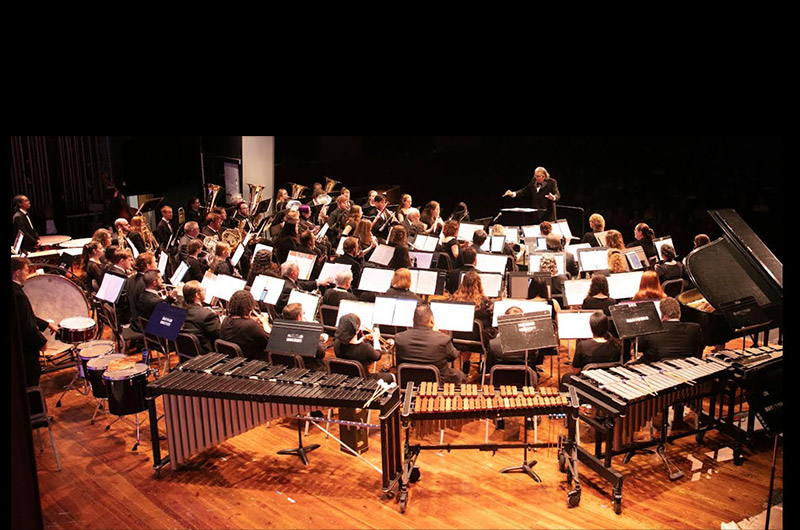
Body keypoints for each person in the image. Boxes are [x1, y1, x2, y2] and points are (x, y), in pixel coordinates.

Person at [12, 257, 58, 386]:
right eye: (26, 271)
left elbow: (25, 316)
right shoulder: (18, 294)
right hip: (26, 351)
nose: (28, 274)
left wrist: (47, 324)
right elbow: (27, 325)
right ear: (18, 272)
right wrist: (41, 342)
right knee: (31, 380)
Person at [394, 304, 466, 385]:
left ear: (413, 320)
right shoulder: (442, 339)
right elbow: (453, 356)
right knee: (460, 376)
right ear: (432, 321)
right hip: (436, 382)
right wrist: (437, 333)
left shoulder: (399, 338)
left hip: (408, 382)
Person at [560, 312, 621, 391]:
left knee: (566, 377)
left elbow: (576, 371)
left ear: (591, 327)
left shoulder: (583, 345)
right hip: (609, 379)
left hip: (588, 382)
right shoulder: (616, 344)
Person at [451, 270, 495, 376]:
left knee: (468, 330)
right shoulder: (485, 303)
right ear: (479, 284)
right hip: (479, 343)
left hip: (457, 340)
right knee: (494, 332)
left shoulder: (453, 301)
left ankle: (465, 363)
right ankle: (486, 365)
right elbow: (490, 322)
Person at [636, 297, 703, 364]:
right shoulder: (694, 329)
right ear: (679, 313)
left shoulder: (650, 330)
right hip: (688, 368)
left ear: (662, 315)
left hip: (657, 370)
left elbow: (639, 349)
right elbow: (698, 352)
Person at [333, 314, 393, 383]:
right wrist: (376, 338)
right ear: (357, 330)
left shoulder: (336, 344)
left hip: (344, 378)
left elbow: (351, 346)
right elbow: (377, 356)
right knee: (391, 376)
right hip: (363, 380)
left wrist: (360, 341)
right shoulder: (365, 348)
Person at [485, 306, 541, 376]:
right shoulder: (531, 344)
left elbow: (488, 367)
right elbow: (535, 359)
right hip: (524, 380)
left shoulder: (493, 344)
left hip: (500, 380)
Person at [220, 290, 270, 361]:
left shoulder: (226, 320)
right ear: (249, 307)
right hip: (253, 363)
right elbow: (271, 342)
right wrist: (265, 322)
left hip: (232, 361)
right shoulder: (251, 326)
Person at [282, 302, 326, 371]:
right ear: (299, 317)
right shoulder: (309, 335)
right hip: (310, 372)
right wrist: (317, 334)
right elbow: (321, 354)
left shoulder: (279, 332)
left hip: (287, 369)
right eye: (303, 313)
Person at [181, 281, 220, 354]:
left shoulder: (179, 313)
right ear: (197, 295)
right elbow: (220, 335)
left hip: (185, 355)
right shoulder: (208, 316)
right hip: (206, 357)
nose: (205, 292)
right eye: (203, 290)